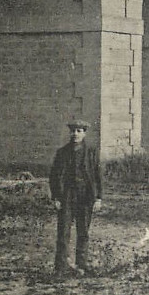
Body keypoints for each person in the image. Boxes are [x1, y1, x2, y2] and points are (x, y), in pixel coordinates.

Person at [49, 119, 103, 278]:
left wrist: (98, 198)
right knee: (63, 231)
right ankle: (60, 267)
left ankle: (81, 265)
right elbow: (54, 176)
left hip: (85, 196)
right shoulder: (62, 152)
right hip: (67, 195)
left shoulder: (91, 152)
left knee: (83, 232)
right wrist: (56, 197)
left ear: (84, 133)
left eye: (79, 131)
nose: (75, 134)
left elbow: (98, 176)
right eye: (73, 131)